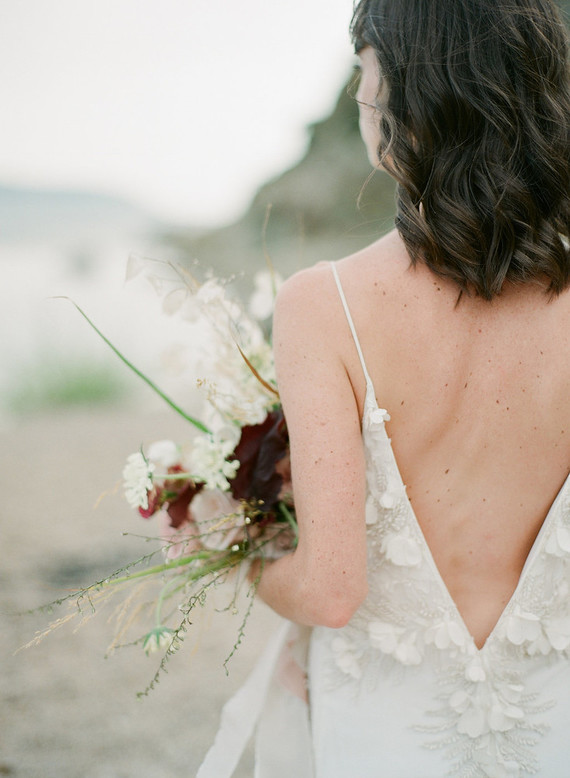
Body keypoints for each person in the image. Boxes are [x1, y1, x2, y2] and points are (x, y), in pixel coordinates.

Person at [199, 0, 570, 775]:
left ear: (410, 93)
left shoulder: (323, 304)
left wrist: (232, 551)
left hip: (392, 736)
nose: (362, 97)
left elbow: (333, 591)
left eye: (366, 73)